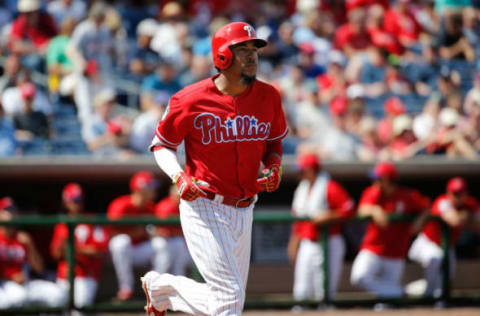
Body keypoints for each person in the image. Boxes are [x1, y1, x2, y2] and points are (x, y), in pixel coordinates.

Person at [141, 22, 288, 316]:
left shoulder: (269, 96)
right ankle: (161, 290)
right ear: (222, 56)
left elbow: (273, 143)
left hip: (245, 206)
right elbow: (161, 145)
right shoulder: (189, 99)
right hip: (204, 204)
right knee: (230, 299)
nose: (252, 56)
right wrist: (178, 176)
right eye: (242, 50)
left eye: (254, 50)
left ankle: (161, 289)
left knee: (229, 299)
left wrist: (273, 166)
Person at [350, 162, 430, 298]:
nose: (375, 181)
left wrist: (419, 221)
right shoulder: (373, 192)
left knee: (386, 303)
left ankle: (395, 293)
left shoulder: (407, 196)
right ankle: (402, 292)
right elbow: (362, 210)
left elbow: (428, 207)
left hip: (396, 252)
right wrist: (374, 210)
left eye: (379, 178)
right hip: (372, 248)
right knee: (359, 277)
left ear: (389, 180)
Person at [287, 153, 355, 302]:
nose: (299, 174)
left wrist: (330, 215)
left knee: (324, 293)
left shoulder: (330, 187)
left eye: (302, 170)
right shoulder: (302, 189)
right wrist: (294, 242)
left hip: (329, 242)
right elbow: (297, 219)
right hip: (307, 243)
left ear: (311, 169)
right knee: (301, 291)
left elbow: (350, 209)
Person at [408, 177, 480, 298]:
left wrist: (465, 216)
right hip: (426, 243)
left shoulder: (471, 203)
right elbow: (454, 221)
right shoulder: (442, 202)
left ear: (466, 193)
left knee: (444, 283)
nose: (458, 197)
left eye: (461, 193)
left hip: (447, 246)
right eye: (455, 193)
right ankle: (428, 296)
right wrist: (467, 216)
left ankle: (417, 292)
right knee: (435, 258)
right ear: (448, 193)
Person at [107, 171, 164, 301]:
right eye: (151, 187)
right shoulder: (120, 205)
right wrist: (133, 233)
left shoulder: (150, 207)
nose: (154, 190)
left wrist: (154, 233)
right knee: (121, 241)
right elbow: (108, 233)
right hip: (115, 253)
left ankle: (155, 289)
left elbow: (153, 230)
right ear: (141, 189)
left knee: (161, 244)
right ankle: (125, 289)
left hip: (137, 250)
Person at [50, 183, 109, 308]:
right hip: (65, 274)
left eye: (80, 200)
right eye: (74, 200)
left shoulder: (92, 221)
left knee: (80, 308)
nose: (78, 204)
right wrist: (69, 248)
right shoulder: (62, 224)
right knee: (57, 307)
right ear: (66, 202)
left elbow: (99, 250)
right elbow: (56, 254)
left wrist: (73, 249)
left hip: (87, 274)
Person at [0, 203, 66, 308]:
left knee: (57, 295)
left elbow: (39, 269)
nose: (11, 215)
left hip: (25, 283)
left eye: (13, 211)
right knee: (16, 298)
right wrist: (11, 278)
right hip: (4, 284)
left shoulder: (23, 238)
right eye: (7, 211)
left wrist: (30, 246)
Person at [153, 185, 192, 276]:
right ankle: (157, 282)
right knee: (164, 256)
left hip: (176, 242)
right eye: (179, 195)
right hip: (159, 240)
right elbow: (159, 230)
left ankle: (178, 280)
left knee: (179, 246)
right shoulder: (165, 207)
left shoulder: (187, 207)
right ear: (172, 195)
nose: (181, 198)